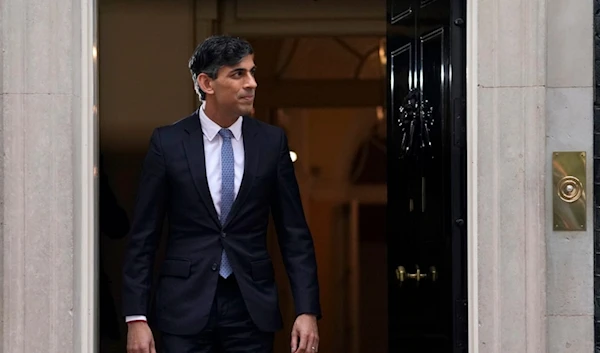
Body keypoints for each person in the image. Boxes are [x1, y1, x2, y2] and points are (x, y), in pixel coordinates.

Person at [122, 35, 321, 353]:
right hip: (183, 307)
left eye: (252, 72)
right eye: (238, 74)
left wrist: (307, 310)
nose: (252, 83)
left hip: (251, 308)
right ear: (207, 83)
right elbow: (143, 237)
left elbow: (294, 234)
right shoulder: (168, 143)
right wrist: (136, 317)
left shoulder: (271, 143)